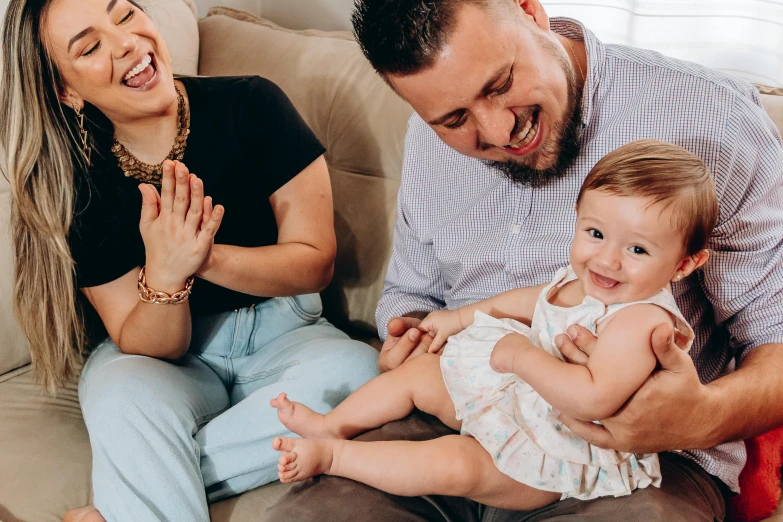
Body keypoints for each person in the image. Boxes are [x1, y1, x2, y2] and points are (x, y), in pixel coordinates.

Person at [262, 0, 783, 521]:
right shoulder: (428, 139)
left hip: (630, 454)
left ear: (529, 10)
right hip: (462, 403)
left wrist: (701, 417)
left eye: (499, 84)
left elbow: (775, 336)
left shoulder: (710, 116)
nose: (496, 131)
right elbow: (413, 297)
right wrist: (412, 336)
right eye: (456, 119)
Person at [0, 0, 380, 521]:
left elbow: (314, 262)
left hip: (284, 331)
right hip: (166, 359)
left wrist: (200, 258)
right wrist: (167, 273)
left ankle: (123, 500)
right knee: (119, 393)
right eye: (89, 47)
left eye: (125, 15)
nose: (126, 42)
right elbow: (149, 343)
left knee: (359, 374)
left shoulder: (253, 103)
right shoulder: (76, 186)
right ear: (66, 92)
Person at [268, 140, 714, 507]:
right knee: (421, 373)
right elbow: (531, 300)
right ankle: (334, 424)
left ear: (684, 264)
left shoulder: (641, 320)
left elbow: (593, 397)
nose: (607, 259)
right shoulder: (593, 280)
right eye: (595, 233)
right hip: (519, 404)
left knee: (456, 464)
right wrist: (460, 317)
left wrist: (521, 357)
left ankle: (334, 456)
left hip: (557, 452)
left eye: (638, 250)